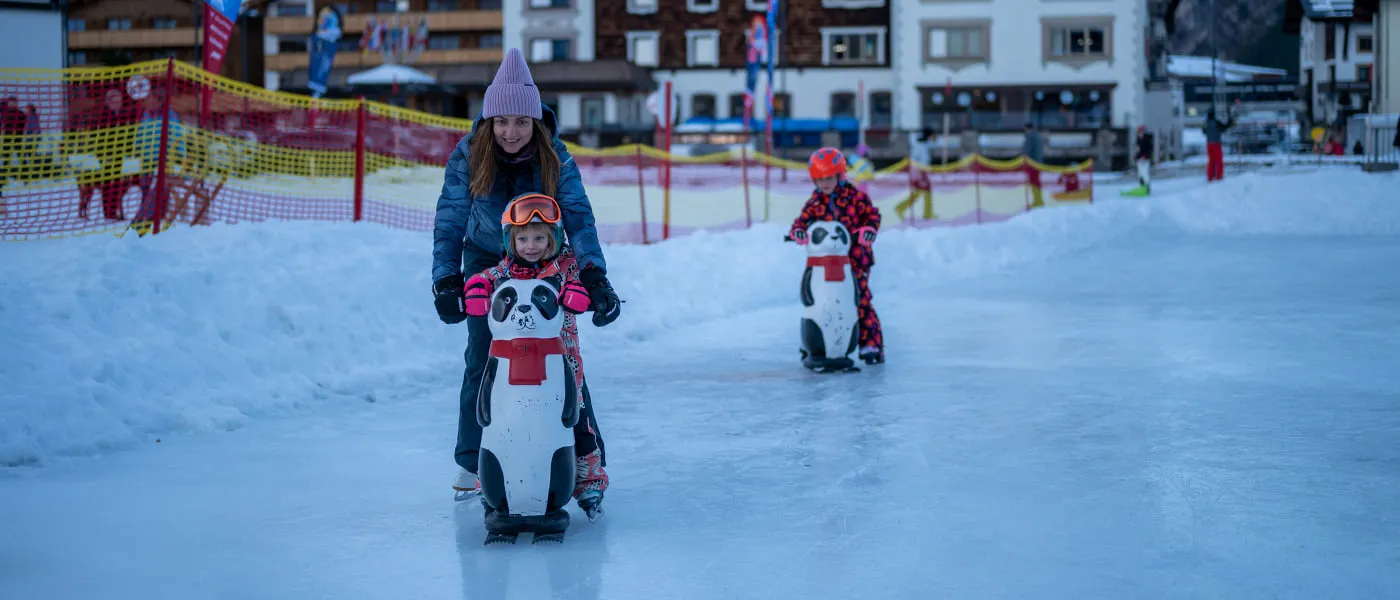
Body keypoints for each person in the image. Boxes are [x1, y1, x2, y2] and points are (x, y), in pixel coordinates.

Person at [430, 48, 622, 502]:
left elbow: (578, 214)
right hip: (485, 258)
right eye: (501, 122)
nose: (510, 132)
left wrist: (594, 277)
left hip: (547, 256)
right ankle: (472, 459)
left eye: (520, 122)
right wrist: (446, 279)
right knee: (484, 353)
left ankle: (583, 465)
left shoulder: (553, 154)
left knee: (561, 355)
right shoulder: (469, 153)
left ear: (534, 122)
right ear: (489, 121)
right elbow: (451, 216)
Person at [460, 192, 609, 514]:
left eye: (539, 237)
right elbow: (485, 278)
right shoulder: (507, 268)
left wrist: (578, 292)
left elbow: (579, 283)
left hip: (561, 359)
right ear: (510, 240)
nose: (531, 245)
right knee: (500, 418)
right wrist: (475, 288)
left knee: (575, 414)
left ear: (553, 237)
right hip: (511, 360)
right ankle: (492, 478)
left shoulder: (564, 265)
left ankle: (588, 479)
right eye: (523, 238)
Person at [788, 147, 884, 364]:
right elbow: (801, 221)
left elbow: (873, 216)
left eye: (829, 177)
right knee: (821, 301)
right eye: (820, 179)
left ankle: (871, 344)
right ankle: (814, 343)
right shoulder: (815, 202)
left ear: (840, 176)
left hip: (855, 260)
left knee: (859, 299)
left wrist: (868, 229)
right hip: (825, 263)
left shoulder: (856, 197)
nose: (825, 183)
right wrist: (798, 231)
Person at [1203, 107, 1233, 182]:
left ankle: (1210, 177)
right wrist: (1230, 119)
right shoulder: (1216, 122)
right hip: (1216, 143)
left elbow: (1204, 132)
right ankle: (1219, 176)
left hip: (1209, 144)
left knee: (1211, 160)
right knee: (1218, 160)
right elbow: (1224, 127)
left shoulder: (1206, 123)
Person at [1023, 122, 1045, 207]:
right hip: (1038, 163)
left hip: (1032, 163)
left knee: (1034, 181)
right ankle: (1038, 199)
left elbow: (1027, 151)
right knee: (1037, 181)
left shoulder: (1030, 137)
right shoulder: (1038, 136)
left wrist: (1024, 159)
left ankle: (1037, 200)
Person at [1134, 125, 1154, 194]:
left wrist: (1146, 155)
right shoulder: (1138, 139)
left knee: (1145, 173)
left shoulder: (1147, 139)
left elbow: (1149, 149)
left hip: (1145, 159)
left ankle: (1147, 188)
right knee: (1140, 174)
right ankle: (1142, 187)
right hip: (1139, 159)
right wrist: (1136, 156)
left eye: (1141, 131)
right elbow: (1137, 149)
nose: (1140, 132)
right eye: (1139, 131)